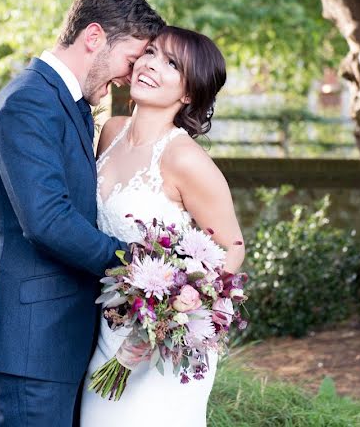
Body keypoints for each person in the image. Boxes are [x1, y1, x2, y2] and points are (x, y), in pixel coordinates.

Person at [0, 0, 165, 426]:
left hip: (61, 336)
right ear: (94, 38)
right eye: (130, 60)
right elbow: (48, 222)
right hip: (33, 339)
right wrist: (137, 264)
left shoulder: (65, 103)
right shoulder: (29, 103)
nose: (130, 77)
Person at [80, 25, 246, 426]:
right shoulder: (112, 131)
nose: (151, 65)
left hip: (162, 345)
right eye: (151, 52)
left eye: (171, 64)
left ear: (188, 93)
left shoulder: (185, 160)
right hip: (109, 327)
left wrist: (174, 308)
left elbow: (232, 246)